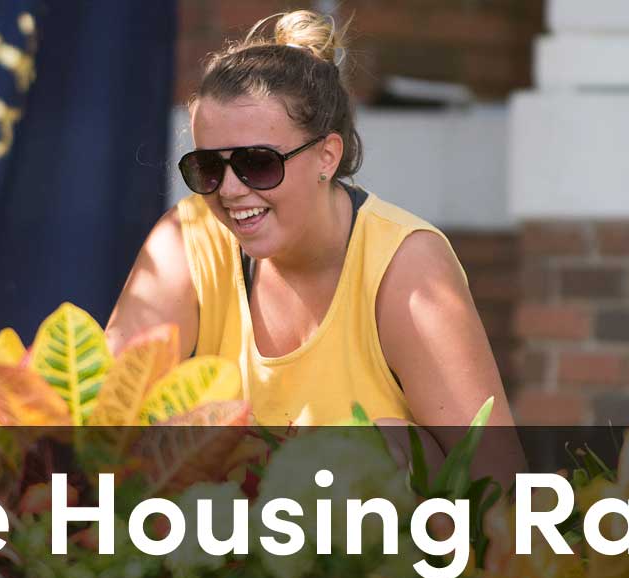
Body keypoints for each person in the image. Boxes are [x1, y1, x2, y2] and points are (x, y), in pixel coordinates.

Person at [106, 10, 524, 467]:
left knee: (387, 444)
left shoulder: (406, 266)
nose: (228, 190)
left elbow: (497, 484)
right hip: (216, 534)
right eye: (207, 167)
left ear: (327, 156)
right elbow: (100, 426)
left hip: (386, 536)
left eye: (258, 162)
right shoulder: (188, 240)